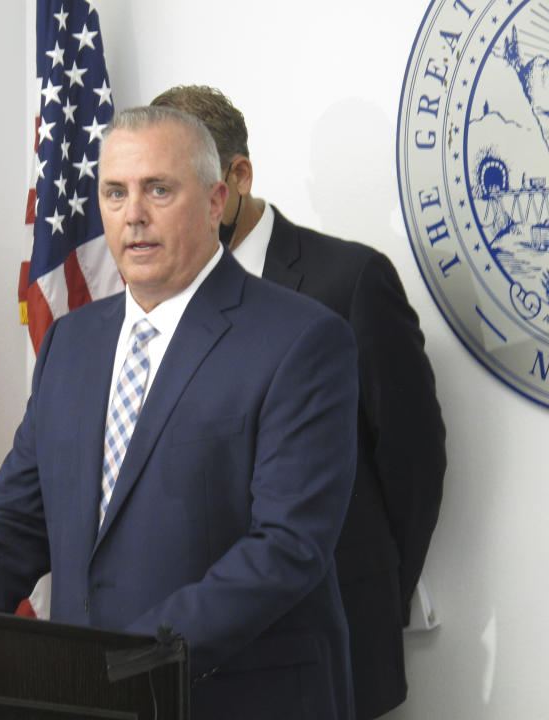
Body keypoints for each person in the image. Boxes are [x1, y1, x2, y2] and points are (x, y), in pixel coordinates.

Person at [0, 107, 359, 719]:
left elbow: (288, 547)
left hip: (233, 696)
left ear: (214, 202)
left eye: (159, 189)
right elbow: (15, 522)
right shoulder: (70, 343)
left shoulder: (301, 340)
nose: (134, 215)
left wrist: (128, 660)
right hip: (89, 701)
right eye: (115, 192)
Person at [151, 85, 447, 719]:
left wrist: (374, 596)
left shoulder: (352, 279)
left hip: (333, 650)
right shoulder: (159, 296)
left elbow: (413, 464)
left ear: (236, 176)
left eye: (172, 187)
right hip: (199, 663)